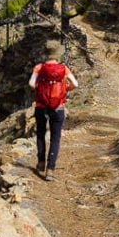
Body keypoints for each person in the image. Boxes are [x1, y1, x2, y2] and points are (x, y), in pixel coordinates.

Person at [29, 40, 78, 181]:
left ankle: (41, 162)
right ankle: (50, 170)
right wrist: (65, 89)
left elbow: (31, 84)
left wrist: (40, 89)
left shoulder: (39, 67)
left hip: (41, 105)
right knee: (55, 138)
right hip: (58, 107)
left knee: (40, 133)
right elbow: (75, 84)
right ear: (58, 54)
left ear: (46, 54)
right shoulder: (63, 68)